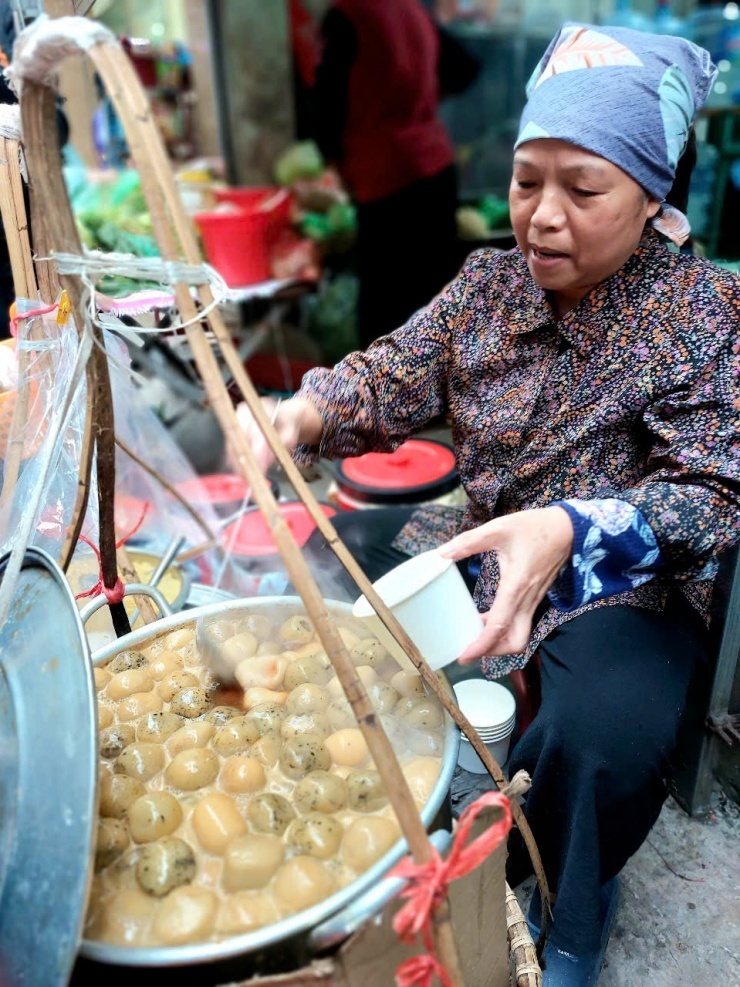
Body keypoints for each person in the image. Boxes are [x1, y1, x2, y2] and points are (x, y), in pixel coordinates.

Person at [233, 22, 739, 986]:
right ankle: (388, 850)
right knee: (331, 628)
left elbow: (712, 494)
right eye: (525, 181)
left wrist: (576, 528)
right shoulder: (486, 287)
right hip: (475, 538)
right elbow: (393, 373)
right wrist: (297, 415)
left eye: (584, 189)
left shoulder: (702, 313)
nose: (542, 216)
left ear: (650, 196)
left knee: (599, 736)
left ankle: (573, 907)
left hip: (615, 578)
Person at [310, 0, 479, 348]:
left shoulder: (349, 15)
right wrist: (419, 104)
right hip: (436, 167)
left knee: (385, 320)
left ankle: (383, 402)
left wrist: (331, 158)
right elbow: (464, 68)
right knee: (436, 307)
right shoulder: (412, 9)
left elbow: (326, 103)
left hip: (386, 178)